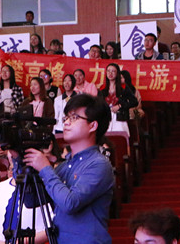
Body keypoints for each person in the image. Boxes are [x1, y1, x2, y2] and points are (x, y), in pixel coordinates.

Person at [23, 93, 114, 244]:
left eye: (74, 118)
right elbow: (31, 201)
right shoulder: (64, 166)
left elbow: (70, 204)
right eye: (66, 118)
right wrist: (20, 160)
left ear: (93, 125)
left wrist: (45, 168)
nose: (66, 123)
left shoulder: (99, 164)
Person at [98, 63, 137, 135]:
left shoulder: (123, 87)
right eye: (108, 71)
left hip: (120, 118)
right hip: (107, 118)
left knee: (119, 138)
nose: (110, 73)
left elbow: (134, 102)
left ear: (117, 73)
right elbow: (99, 104)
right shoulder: (102, 88)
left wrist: (120, 106)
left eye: (113, 71)